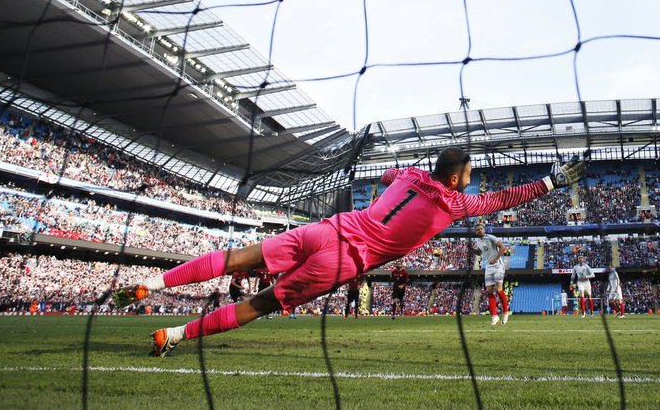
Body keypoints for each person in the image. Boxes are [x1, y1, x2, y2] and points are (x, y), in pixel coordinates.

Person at [112, 146, 586, 356]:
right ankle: (174, 334)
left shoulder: (407, 175)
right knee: (260, 303)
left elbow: (385, 177)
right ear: (458, 177)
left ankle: (152, 282)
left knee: (240, 257)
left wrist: (402, 179)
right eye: (468, 173)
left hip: (327, 229)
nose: (471, 179)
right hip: (345, 259)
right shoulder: (457, 202)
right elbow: (504, 199)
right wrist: (549, 181)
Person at [472, 221, 509, 325]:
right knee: (489, 290)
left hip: (498, 265)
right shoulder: (478, 241)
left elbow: (503, 248)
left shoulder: (491, 238)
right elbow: (479, 252)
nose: (479, 230)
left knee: (498, 289)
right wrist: (471, 249)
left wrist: (496, 259)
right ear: (476, 232)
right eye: (477, 230)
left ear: (484, 229)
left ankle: (505, 312)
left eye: (481, 229)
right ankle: (494, 316)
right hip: (488, 266)